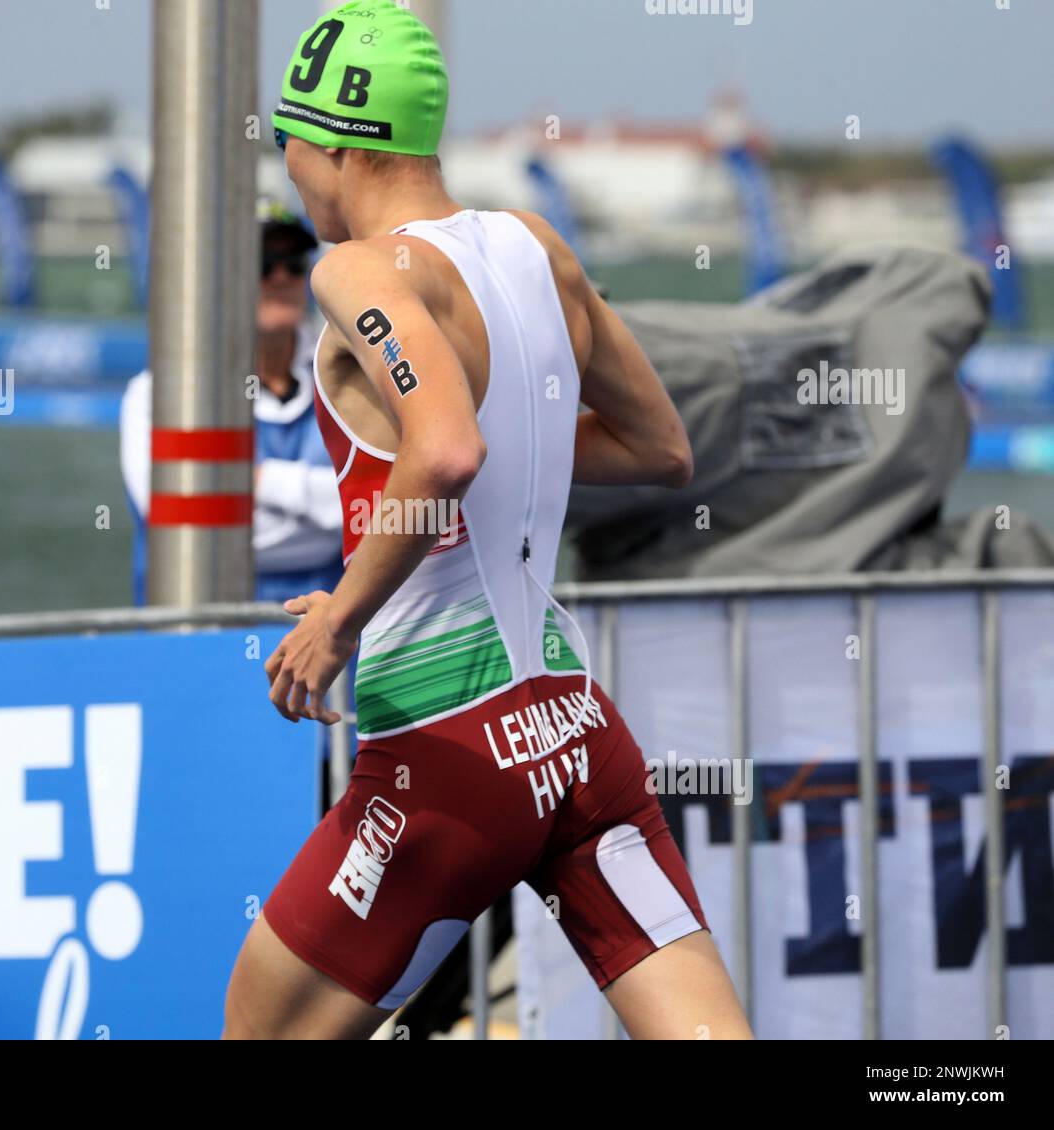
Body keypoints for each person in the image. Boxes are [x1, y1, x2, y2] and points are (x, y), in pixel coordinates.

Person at [224, 1, 753, 1041]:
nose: (288, 168)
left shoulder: (356, 272)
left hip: (445, 753)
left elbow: (446, 450)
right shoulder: (535, 247)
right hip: (574, 737)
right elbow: (659, 446)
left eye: (288, 142)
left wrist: (339, 619)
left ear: (336, 140)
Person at [118, 203, 343, 605]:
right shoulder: (156, 395)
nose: (280, 278)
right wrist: (321, 505)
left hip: (329, 648)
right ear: (215, 279)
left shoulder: (350, 378)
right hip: (193, 639)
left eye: (294, 263)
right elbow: (188, 526)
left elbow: (377, 511)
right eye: (262, 263)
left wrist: (259, 480)